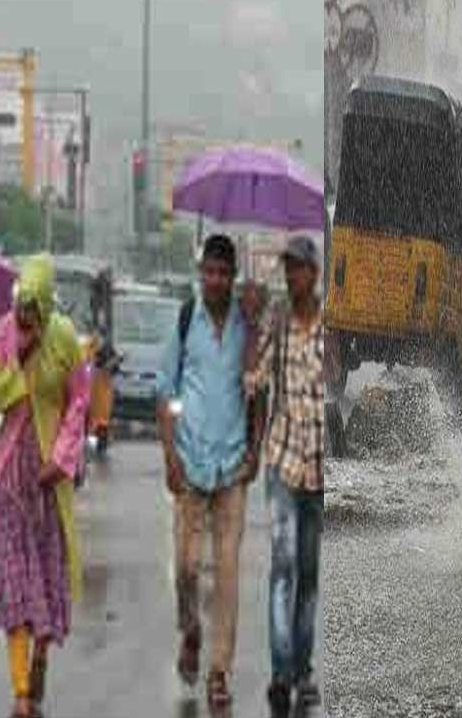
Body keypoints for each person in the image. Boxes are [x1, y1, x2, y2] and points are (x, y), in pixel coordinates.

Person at [0, 254, 88, 718]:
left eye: (32, 306)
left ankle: (41, 654)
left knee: (44, 577)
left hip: (47, 482)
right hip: (10, 478)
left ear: (46, 305)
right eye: (20, 304)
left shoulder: (64, 339)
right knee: (15, 582)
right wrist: (18, 361)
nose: (24, 314)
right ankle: (21, 690)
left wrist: (61, 459)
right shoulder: (3, 336)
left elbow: (79, 402)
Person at [156, 234, 258, 709]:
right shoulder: (185, 319)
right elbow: (165, 392)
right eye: (209, 272)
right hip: (191, 465)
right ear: (202, 274)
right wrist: (170, 457)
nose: (215, 280)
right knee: (186, 569)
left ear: (233, 277)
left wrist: (255, 449)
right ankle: (190, 631)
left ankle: (219, 671)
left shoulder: (247, 324)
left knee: (228, 576)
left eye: (223, 272)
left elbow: (260, 390)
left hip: (233, 467)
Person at [245, 236, 325, 716]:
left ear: (313, 273)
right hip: (282, 464)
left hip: (318, 473)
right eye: (287, 269)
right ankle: (281, 672)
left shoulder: (326, 328)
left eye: (298, 268)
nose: (292, 276)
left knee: (309, 578)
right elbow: (255, 382)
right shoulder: (275, 322)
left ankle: (302, 668)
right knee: (283, 569)